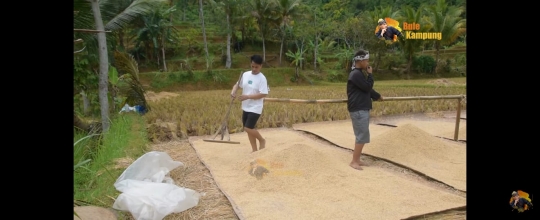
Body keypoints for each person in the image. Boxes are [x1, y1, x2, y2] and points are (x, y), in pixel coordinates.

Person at [347, 49, 383, 170]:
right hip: (358, 109)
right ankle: (354, 161)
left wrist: (377, 96)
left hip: (361, 108)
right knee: (361, 135)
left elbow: (367, 90)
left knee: (362, 135)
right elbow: (367, 87)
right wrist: (370, 75)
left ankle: (357, 159)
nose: (368, 62)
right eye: (366, 60)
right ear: (361, 61)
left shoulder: (358, 74)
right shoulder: (356, 74)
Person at [230, 55, 269, 152]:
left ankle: (262, 140)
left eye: (257, 67)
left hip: (256, 107)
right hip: (246, 107)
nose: (254, 69)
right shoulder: (245, 74)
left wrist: (247, 96)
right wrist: (233, 91)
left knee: (248, 128)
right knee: (248, 130)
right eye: (253, 66)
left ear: (261, 66)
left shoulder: (262, 78)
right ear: (251, 64)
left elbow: (263, 94)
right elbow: (237, 84)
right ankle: (254, 150)